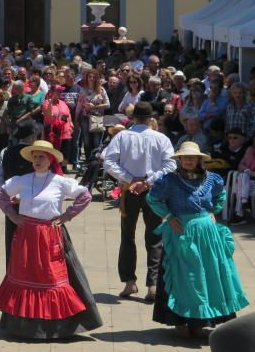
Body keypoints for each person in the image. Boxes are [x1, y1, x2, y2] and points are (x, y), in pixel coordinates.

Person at [0, 139, 102, 339]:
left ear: (50, 159)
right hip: (26, 234)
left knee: (51, 278)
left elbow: (85, 195)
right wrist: (13, 215)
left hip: (49, 235)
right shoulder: (23, 179)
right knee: (25, 276)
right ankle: (22, 327)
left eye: (41, 156)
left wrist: (67, 215)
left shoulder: (61, 182)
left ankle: (55, 329)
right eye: (35, 156)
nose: (37, 160)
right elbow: (1, 194)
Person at [147, 141, 249, 339]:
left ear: (199, 160)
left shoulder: (213, 179)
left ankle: (202, 321)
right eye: (185, 158)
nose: (188, 161)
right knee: (186, 276)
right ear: (179, 160)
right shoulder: (169, 180)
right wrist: (168, 217)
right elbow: (153, 199)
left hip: (207, 235)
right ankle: (180, 320)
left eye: (192, 158)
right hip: (181, 232)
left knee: (209, 274)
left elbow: (220, 197)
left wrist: (212, 211)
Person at [103, 101, 177, 300]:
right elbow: (170, 165)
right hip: (152, 190)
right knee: (154, 238)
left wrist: (130, 178)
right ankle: (152, 285)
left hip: (131, 189)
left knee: (128, 235)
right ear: (151, 118)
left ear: (133, 117)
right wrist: (148, 180)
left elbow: (108, 161)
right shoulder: (160, 138)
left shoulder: (123, 137)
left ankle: (129, 282)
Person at [0, 120, 39, 265]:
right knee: (34, 241)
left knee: (13, 239)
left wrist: (7, 193)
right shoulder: (37, 154)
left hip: (11, 204)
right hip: (34, 203)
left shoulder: (5, 152)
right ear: (32, 137)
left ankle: (12, 274)